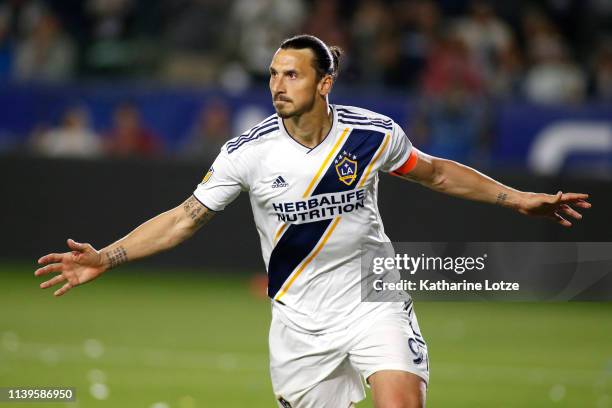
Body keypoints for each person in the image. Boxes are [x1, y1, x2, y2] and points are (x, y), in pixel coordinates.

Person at [34, 35, 590, 408]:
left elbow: (438, 173)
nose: (278, 84)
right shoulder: (247, 153)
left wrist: (517, 199)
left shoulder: (371, 135)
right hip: (299, 324)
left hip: (374, 302)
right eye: (274, 74)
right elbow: (184, 219)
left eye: (292, 75)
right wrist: (106, 257)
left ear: (324, 83)